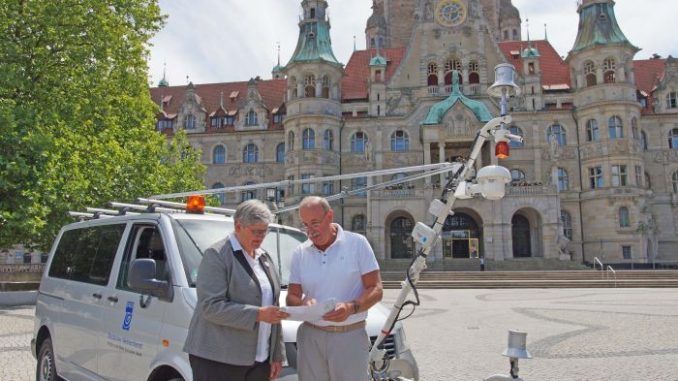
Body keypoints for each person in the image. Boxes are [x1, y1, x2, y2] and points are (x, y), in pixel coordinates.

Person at [184, 199, 288, 381]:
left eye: (264, 231)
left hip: (260, 360)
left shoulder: (264, 257)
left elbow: (273, 306)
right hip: (219, 359)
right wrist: (258, 315)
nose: (260, 237)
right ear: (238, 226)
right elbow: (210, 307)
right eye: (255, 231)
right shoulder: (216, 255)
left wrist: (277, 355)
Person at [286, 196, 383, 381]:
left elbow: (376, 288)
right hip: (310, 337)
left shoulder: (357, 243)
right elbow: (292, 297)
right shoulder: (300, 253)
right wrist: (303, 303)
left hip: (349, 337)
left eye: (315, 223)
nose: (310, 231)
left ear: (330, 215)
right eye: (305, 224)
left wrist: (351, 307)